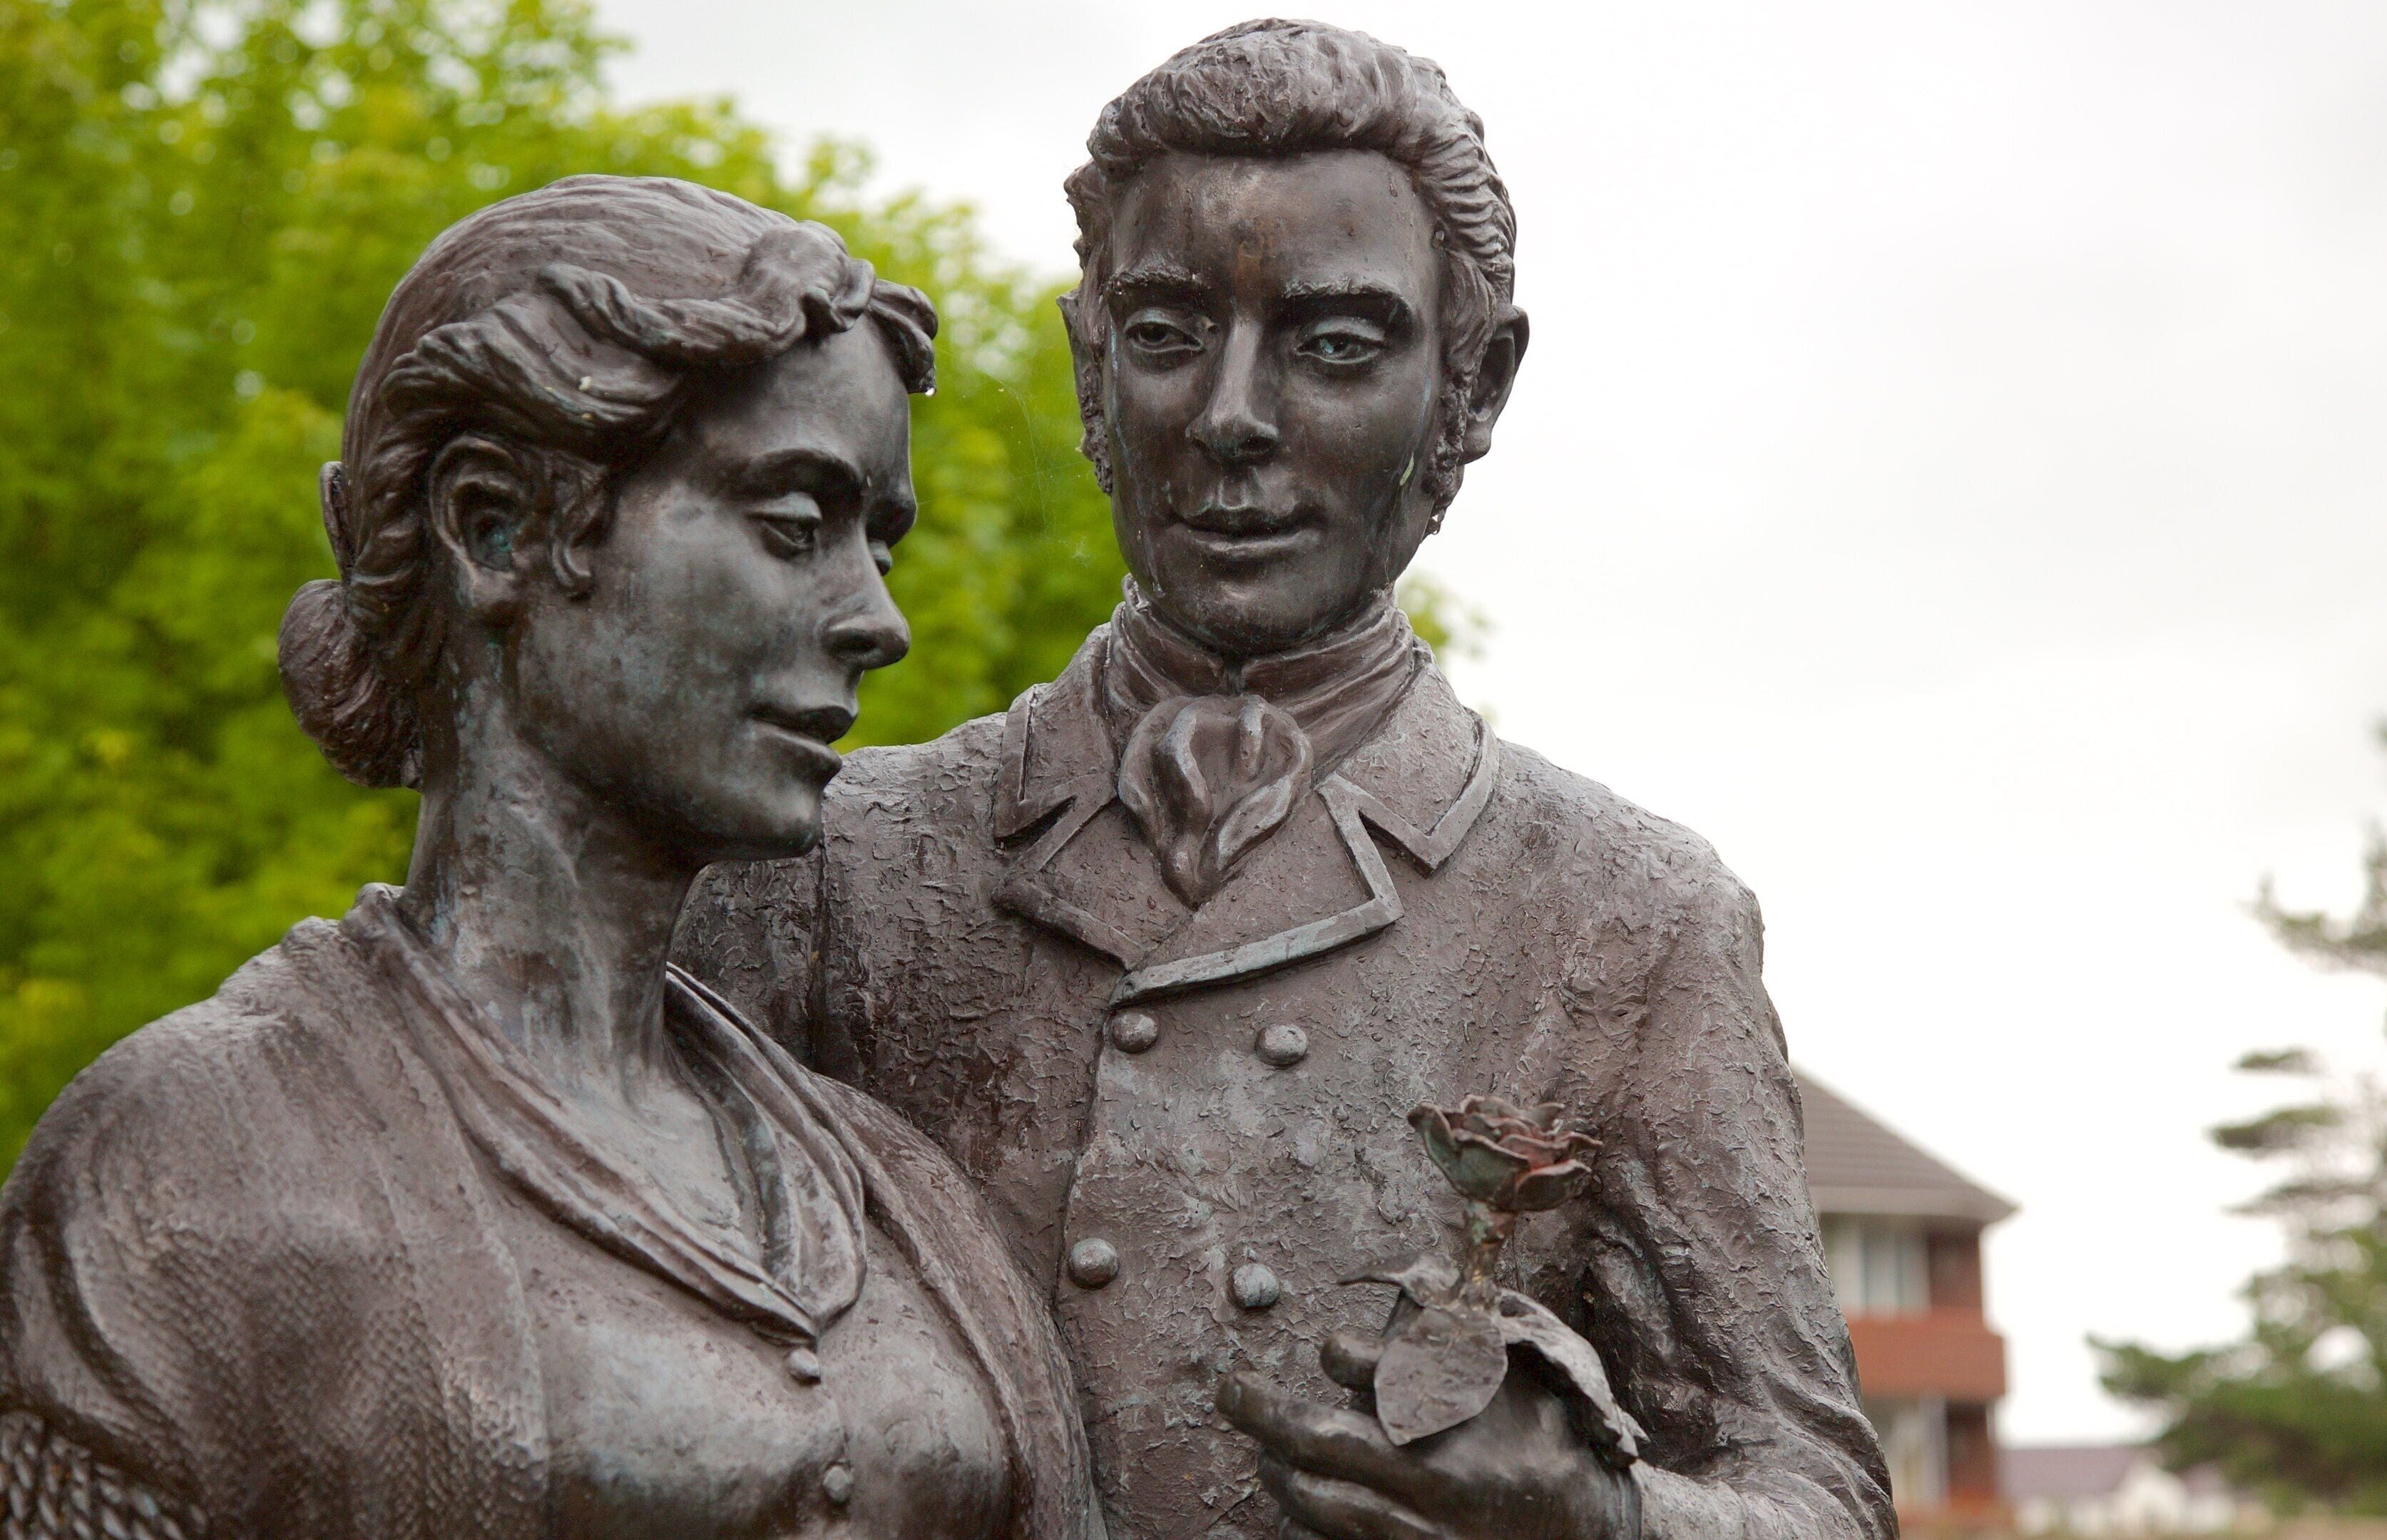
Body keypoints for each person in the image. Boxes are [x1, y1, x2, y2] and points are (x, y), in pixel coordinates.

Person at [678, 21, 1896, 1540]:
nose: (1232, 416)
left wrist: (1609, 1522)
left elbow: (1817, 1492)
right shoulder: (829, 857)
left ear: (1473, 388)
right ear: (1089, 364)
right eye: (1167, 333)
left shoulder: (1631, 917)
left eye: (1334, 347)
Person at [0, 175, 1098, 1540]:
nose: (879, 621)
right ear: (495, 528)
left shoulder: (900, 1201)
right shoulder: (189, 1168)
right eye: (793, 526)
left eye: (879, 545)